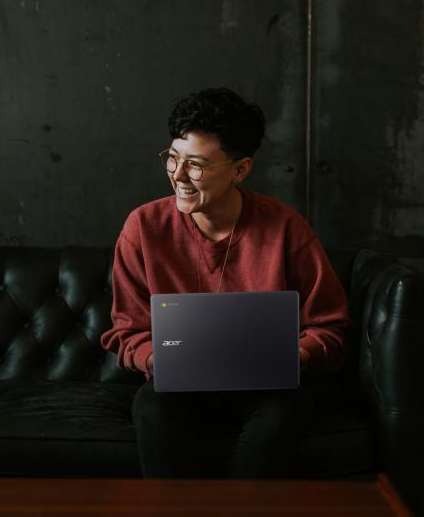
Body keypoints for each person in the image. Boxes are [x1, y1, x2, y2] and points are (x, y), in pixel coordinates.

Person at [101, 87, 350, 479]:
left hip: (269, 389)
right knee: (152, 405)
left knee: (285, 411)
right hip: (179, 389)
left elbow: (329, 327)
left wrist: (292, 357)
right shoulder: (143, 228)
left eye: (195, 165)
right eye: (173, 158)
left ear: (241, 169)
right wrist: (156, 359)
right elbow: (127, 330)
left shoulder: (285, 228)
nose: (179, 175)